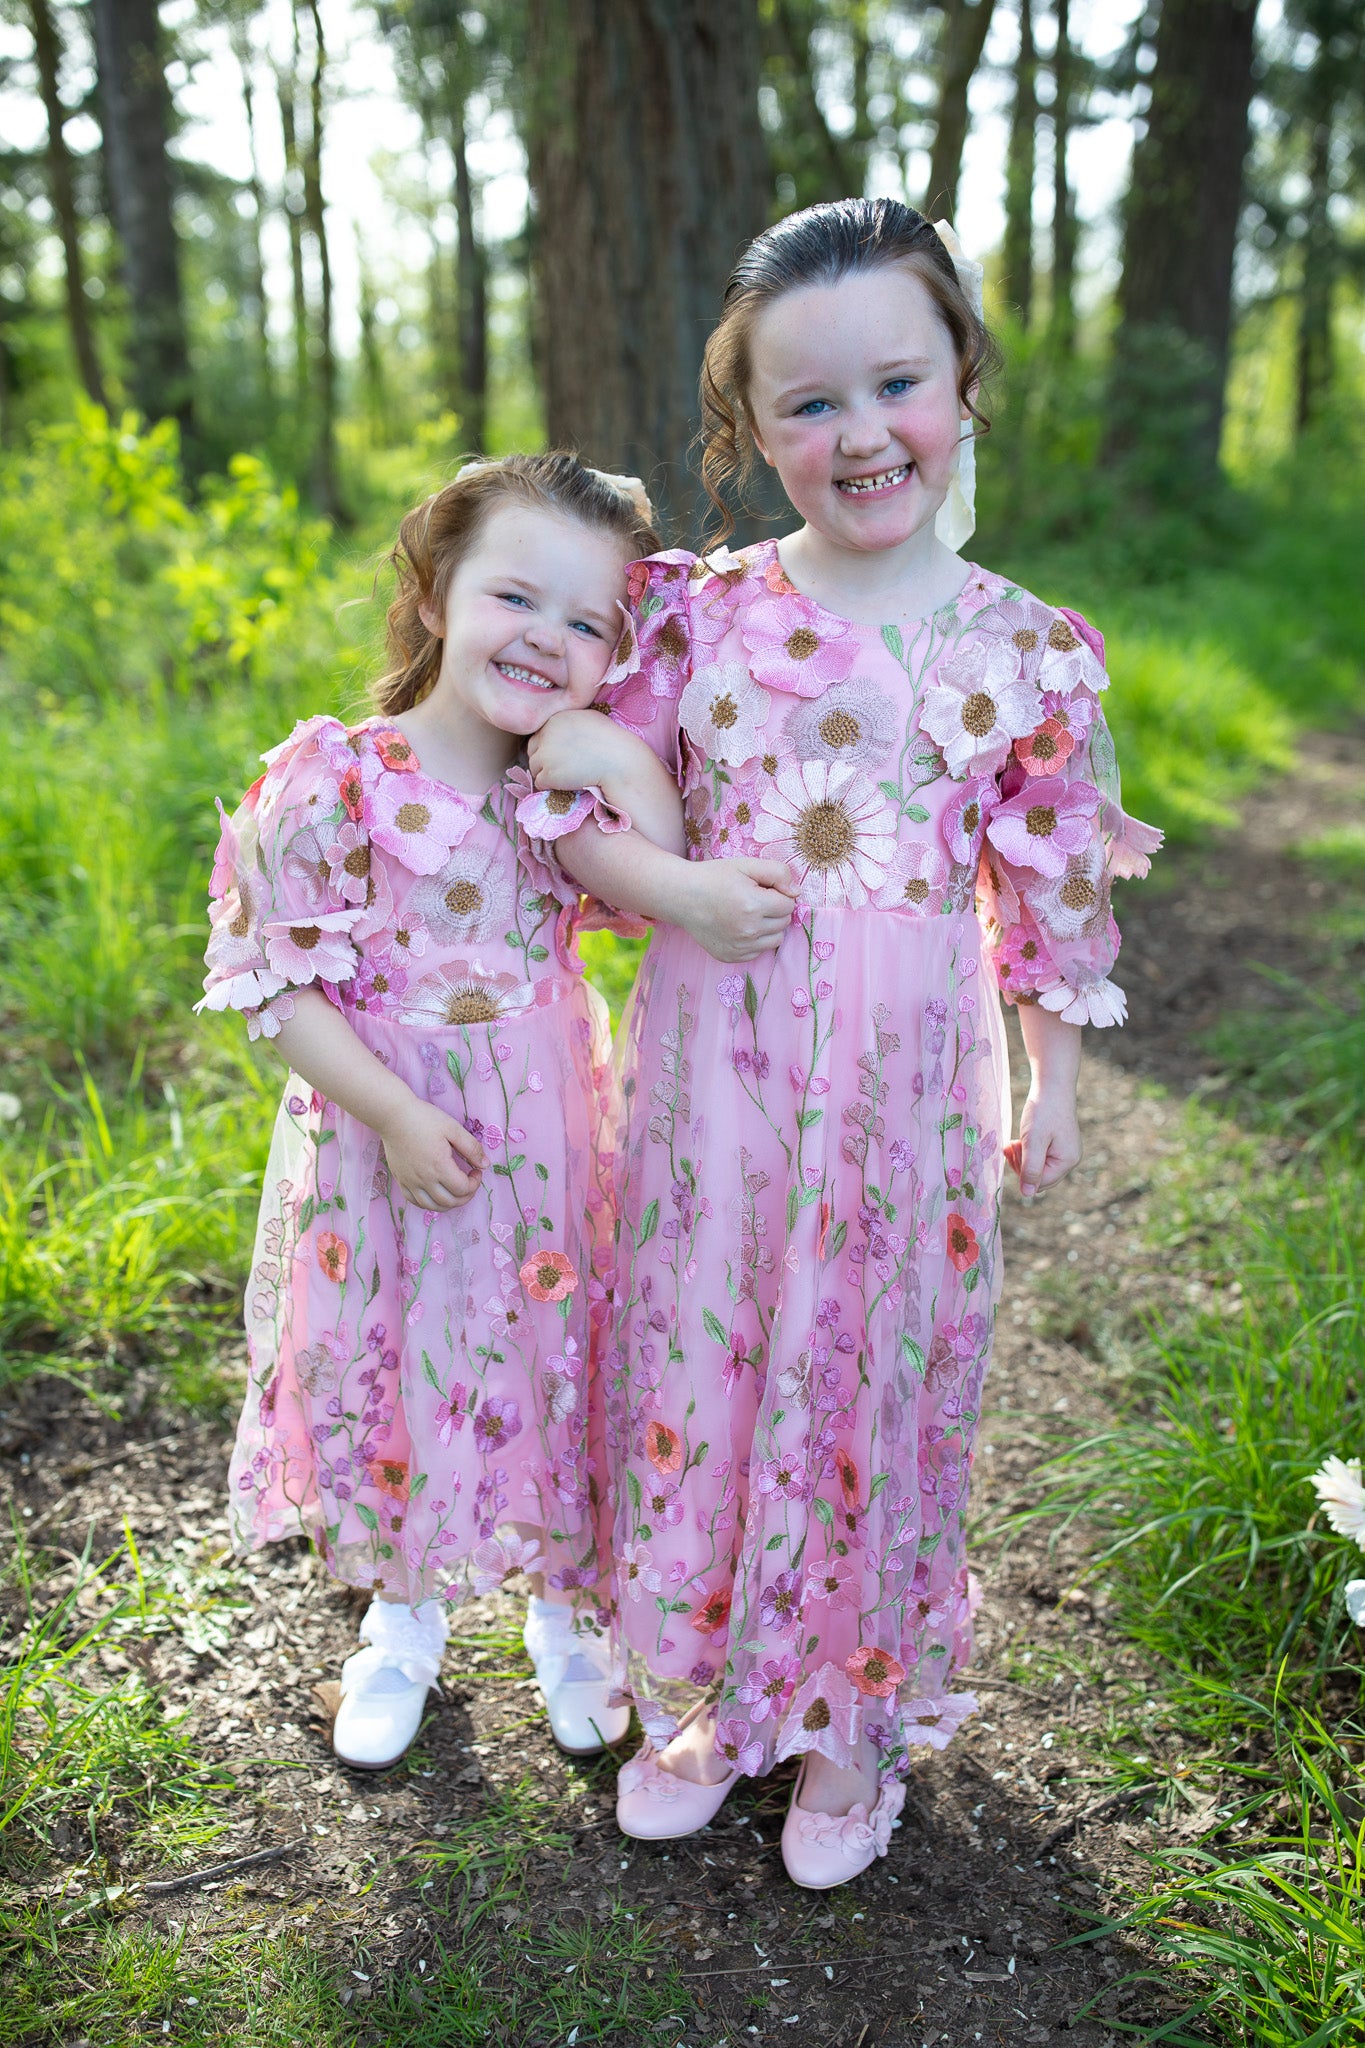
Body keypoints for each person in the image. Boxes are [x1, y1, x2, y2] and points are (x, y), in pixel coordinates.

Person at [533, 199, 1161, 1887]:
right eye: (807, 404)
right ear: (750, 428)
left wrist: (1051, 1075)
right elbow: (575, 798)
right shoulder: (695, 617)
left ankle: (846, 1721)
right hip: (713, 1072)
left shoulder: (1023, 648)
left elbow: (1048, 882)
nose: (860, 433)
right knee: (705, 1350)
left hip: (903, 1082)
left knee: (874, 1365)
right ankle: (714, 1694)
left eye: (895, 384)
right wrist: (678, 884)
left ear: (960, 380)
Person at [199, 453, 679, 1771]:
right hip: (387, 1142)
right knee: (402, 1361)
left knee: (554, 1355)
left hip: (545, 1136)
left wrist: (621, 759)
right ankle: (403, 1622)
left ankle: (566, 1615)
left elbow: (658, 890)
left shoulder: (560, 796)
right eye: (515, 597)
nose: (546, 639)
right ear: (432, 593)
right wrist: (396, 1114)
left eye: (587, 622)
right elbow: (273, 988)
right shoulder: (337, 779)